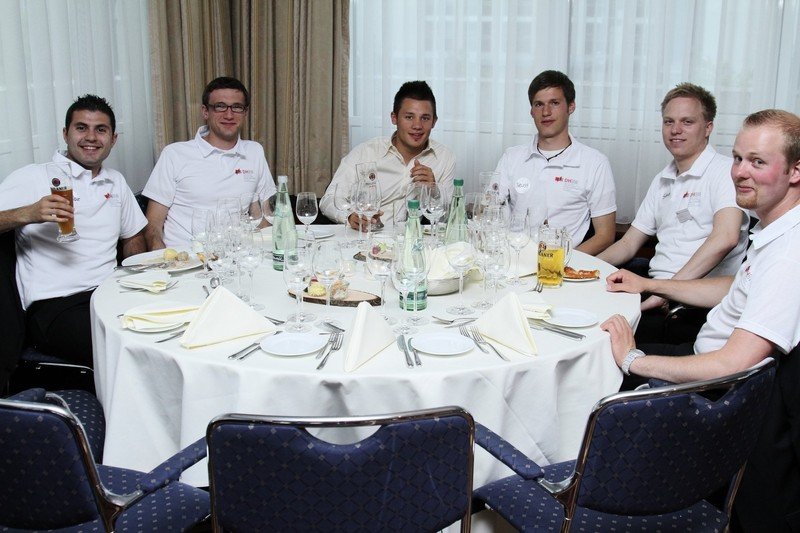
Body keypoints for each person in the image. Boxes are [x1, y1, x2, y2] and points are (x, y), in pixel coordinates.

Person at [601, 109, 800, 532]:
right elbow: (735, 287)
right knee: (600, 351)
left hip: (718, 392)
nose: (740, 172)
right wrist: (651, 284)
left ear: (795, 171)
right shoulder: (777, 227)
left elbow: (735, 362)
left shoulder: (789, 253)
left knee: (598, 372)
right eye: (738, 158)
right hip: (704, 360)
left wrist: (634, 360)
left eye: (758, 162)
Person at [0, 94, 147, 367]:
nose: (91, 137)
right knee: (128, 348)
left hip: (111, 294)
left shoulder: (115, 181)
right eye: (81, 128)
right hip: (55, 305)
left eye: (100, 130)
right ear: (65, 133)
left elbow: (133, 236)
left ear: (113, 139)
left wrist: (139, 277)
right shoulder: (34, 176)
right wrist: (27, 213)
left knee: (174, 327)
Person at [597, 83, 750, 340]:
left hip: (694, 305)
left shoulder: (725, 172)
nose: (675, 130)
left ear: (708, 127)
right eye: (669, 121)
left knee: (605, 339)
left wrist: (666, 290)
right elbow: (628, 244)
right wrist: (580, 268)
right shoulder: (662, 179)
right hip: (655, 289)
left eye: (687, 122)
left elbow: (726, 238)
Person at [489, 70, 617, 255]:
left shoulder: (595, 163)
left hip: (565, 263)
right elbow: (489, 210)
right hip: (514, 257)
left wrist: (562, 262)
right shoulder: (511, 157)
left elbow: (605, 235)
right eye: (539, 104)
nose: (546, 112)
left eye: (554, 103)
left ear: (571, 107)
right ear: (531, 111)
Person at [143, 76, 276, 249]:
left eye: (237, 107)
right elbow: (153, 225)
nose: (229, 115)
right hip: (186, 257)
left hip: (235, 256)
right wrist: (165, 261)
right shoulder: (174, 154)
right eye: (220, 106)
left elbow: (265, 217)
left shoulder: (254, 151)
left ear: (245, 113)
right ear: (205, 111)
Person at [319, 80, 455, 230]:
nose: (417, 126)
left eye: (425, 118)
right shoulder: (366, 152)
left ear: (434, 121)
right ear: (394, 118)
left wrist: (434, 191)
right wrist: (350, 216)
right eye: (409, 117)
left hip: (408, 239)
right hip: (364, 236)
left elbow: (448, 219)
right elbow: (329, 199)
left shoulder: (444, 158)